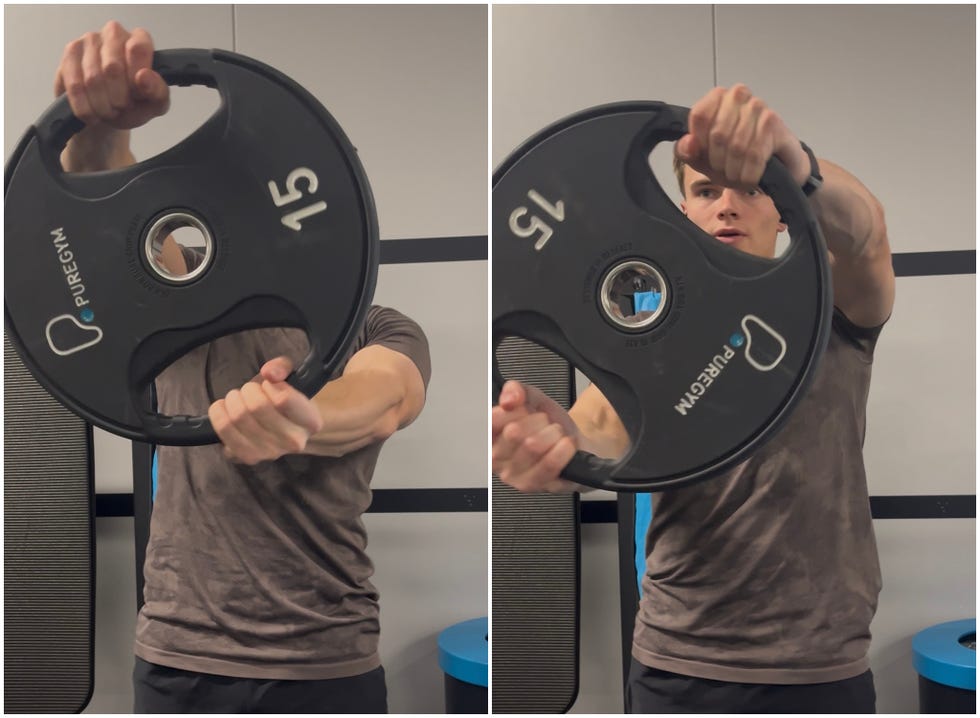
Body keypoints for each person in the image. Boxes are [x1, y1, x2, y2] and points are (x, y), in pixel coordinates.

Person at [56, 22, 431, 713]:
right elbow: (104, 217)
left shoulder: (380, 325)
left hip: (324, 662)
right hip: (177, 657)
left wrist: (307, 417)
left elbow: (383, 395)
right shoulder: (173, 308)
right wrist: (98, 129)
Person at [493, 84, 894, 713]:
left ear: (784, 209)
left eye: (752, 189)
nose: (727, 206)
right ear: (683, 210)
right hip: (683, 664)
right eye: (706, 191)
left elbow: (866, 238)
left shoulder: (835, 314)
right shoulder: (653, 338)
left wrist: (800, 167)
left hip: (824, 665)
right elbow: (598, 427)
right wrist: (557, 446)